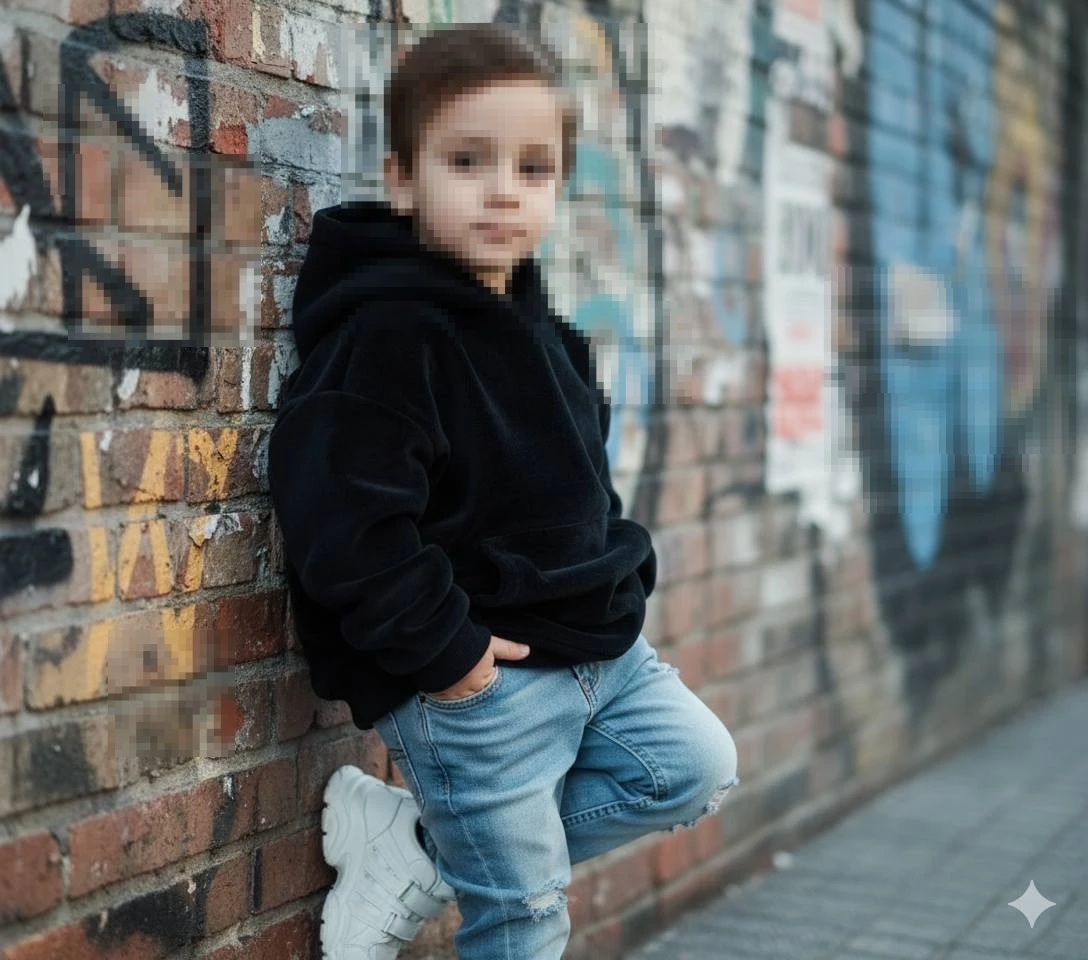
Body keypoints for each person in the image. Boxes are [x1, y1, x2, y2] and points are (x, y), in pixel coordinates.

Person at [268, 21, 740, 960]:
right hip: (478, 685)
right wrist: (451, 658)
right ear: (403, 178)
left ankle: (414, 848)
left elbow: (580, 489)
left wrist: (617, 584)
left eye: (532, 168)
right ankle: (456, 852)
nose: (501, 190)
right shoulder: (388, 335)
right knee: (523, 915)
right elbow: (342, 524)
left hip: (600, 652)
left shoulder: (546, 333)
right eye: (468, 161)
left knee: (692, 769)